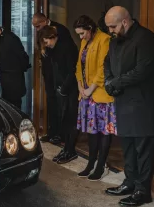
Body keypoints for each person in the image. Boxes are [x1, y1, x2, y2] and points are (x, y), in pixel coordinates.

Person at [104, 6, 154, 207]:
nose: (110, 30)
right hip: (123, 101)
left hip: (143, 104)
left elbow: (142, 71)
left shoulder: (146, 38)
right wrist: (109, 81)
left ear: (125, 22)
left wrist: (115, 83)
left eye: (113, 26)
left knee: (143, 150)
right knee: (127, 147)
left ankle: (143, 191)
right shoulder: (115, 39)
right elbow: (107, 62)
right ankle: (129, 183)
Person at [74, 15, 117, 181]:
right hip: (85, 93)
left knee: (104, 132)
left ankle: (101, 165)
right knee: (92, 132)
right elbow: (79, 65)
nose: (80, 37)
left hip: (100, 94)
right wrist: (80, 86)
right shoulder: (85, 42)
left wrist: (90, 88)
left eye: (82, 33)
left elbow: (103, 68)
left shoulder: (104, 40)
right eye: (78, 34)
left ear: (90, 29)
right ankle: (91, 163)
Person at [32, 13, 75, 145]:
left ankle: (62, 135)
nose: (37, 29)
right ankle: (52, 132)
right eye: (35, 27)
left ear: (45, 21)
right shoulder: (43, 34)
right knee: (51, 104)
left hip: (62, 74)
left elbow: (66, 58)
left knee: (62, 106)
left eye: (38, 26)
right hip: (50, 74)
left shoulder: (60, 30)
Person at [39, 25, 79, 164]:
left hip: (70, 89)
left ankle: (70, 150)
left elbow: (72, 71)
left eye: (46, 41)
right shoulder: (54, 49)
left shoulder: (67, 47)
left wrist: (63, 89)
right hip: (61, 88)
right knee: (65, 121)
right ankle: (66, 149)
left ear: (52, 37)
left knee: (70, 120)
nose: (46, 45)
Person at [0, 22, 30, 109]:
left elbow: (22, 56)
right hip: (5, 78)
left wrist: (19, 69)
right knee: (6, 104)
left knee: (15, 105)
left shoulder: (12, 38)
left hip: (14, 78)